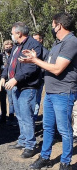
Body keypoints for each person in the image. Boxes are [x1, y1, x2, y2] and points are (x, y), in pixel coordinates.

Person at [19, 13, 77, 170]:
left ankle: (65, 162)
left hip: (64, 93)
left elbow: (58, 69)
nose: (52, 27)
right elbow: (49, 64)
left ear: (59, 25)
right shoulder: (58, 43)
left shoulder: (71, 42)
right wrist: (35, 57)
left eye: (53, 24)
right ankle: (45, 157)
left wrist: (35, 61)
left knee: (64, 130)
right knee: (48, 128)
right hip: (51, 93)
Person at [0, 22, 42, 158]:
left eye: (12, 33)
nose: (11, 36)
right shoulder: (16, 47)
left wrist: (16, 79)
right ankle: (23, 140)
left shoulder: (34, 45)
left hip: (27, 87)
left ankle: (30, 145)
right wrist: (3, 77)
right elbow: (10, 64)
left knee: (26, 116)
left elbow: (31, 67)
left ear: (19, 33)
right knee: (20, 115)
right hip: (16, 86)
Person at [32, 32, 49, 121]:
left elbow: (46, 66)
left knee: (36, 100)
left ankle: (34, 118)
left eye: (36, 39)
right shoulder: (29, 50)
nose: (33, 41)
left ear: (41, 40)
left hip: (39, 80)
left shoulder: (45, 52)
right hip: (29, 80)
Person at [1, 40, 15, 124]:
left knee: (11, 100)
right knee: (2, 100)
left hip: (10, 81)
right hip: (2, 81)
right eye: (6, 47)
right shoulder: (0, 56)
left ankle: (11, 117)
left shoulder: (14, 56)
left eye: (10, 47)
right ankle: (3, 117)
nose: (8, 49)